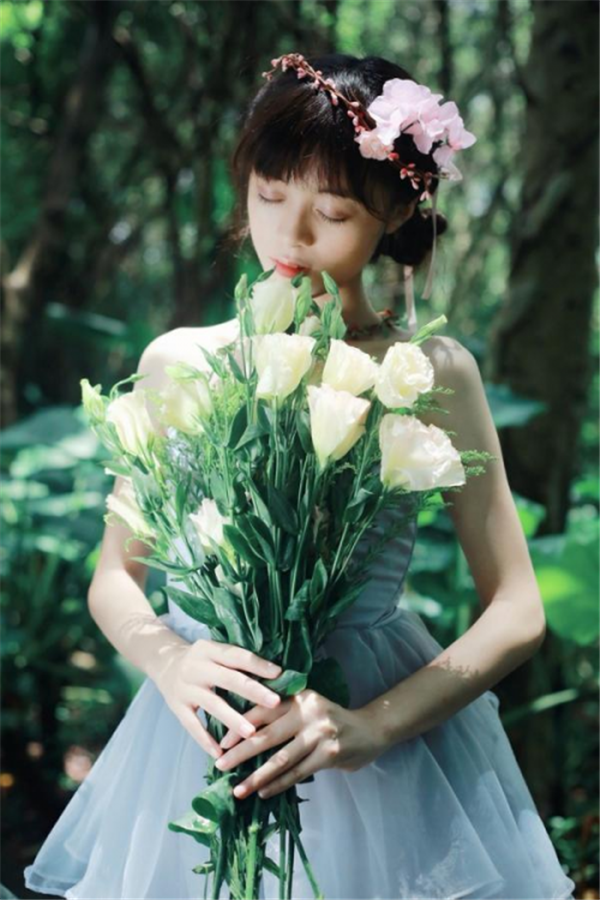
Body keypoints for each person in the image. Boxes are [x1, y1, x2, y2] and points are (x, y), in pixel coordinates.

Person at [24, 52, 576, 900]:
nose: (291, 236)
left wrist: (365, 727)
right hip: (201, 733)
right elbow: (115, 577)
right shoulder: (181, 360)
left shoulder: (429, 369)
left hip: (369, 737)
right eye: (270, 196)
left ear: (395, 210)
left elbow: (517, 609)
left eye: (333, 210)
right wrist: (170, 661)